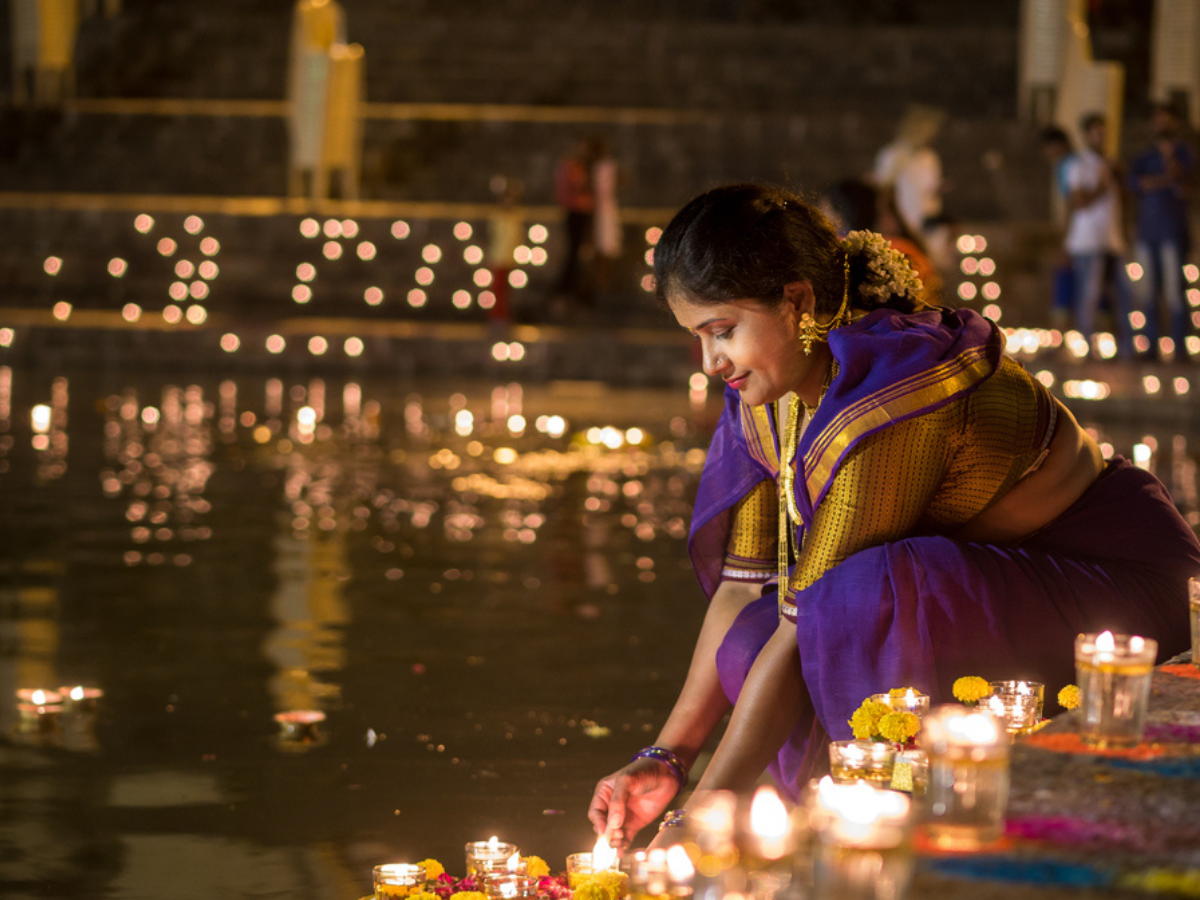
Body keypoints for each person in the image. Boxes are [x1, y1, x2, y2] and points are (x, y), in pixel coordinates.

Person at [587, 184, 1199, 850]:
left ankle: (893, 836)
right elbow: (742, 589)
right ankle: (831, 823)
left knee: (862, 596)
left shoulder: (895, 389)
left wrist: (697, 821)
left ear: (795, 302)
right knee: (749, 636)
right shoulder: (768, 391)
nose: (711, 364)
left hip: (1107, 598)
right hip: (985, 600)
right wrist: (668, 759)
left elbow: (811, 622)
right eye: (698, 339)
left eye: (723, 332)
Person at [1063, 113, 1134, 358]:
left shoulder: (1112, 164)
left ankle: (1126, 350)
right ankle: (1088, 349)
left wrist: (1118, 179)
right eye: (1095, 132)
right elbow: (1078, 202)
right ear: (1086, 135)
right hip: (1087, 240)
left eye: (1103, 132)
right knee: (1089, 295)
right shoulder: (1078, 164)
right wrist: (1103, 185)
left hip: (1113, 240)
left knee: (1124, 295)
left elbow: (1123, 201)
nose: (1100, 137)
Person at [1128, 102, 1194, 356]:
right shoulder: (1145, 157)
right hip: (1148, 232)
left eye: (1166, 120)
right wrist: (1163, 180)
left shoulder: (1186, 154)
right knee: (1148, 292)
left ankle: (1179, 347)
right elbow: (1137, 184)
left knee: (1175, 291)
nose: (1161, 125)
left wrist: (1170, 165)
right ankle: (1151, 346)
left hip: (1173, 232)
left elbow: (1186, 185)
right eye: (1157, 120)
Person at [871, 104, 945, 238]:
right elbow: (882, 186)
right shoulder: (893, 154)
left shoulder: (929, 158)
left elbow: (932, 190)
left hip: (924, 221)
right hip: (900, 218)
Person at [552, 136, 596, 314]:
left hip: (583, 211)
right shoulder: (571, 166)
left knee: (579, 254)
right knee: (573, 253)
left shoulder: (585, 166)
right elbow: (569, 189)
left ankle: (575, 293)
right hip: (575, 211)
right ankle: (565, 292)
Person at [1040, 126, 1076, 330]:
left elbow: (1071, 204)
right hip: (1083, 235)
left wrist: (1067, 239)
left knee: (1065, 280)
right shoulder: (1070, 164)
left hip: (1079, 237)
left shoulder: (1068, 166)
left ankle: (1063, 337)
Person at [589, 135, 623, 296]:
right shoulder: (595, 166)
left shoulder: (606, 166)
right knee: (600, 249)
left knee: (607, 247)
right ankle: (598, 285)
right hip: (597, 209)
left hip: (604, 210)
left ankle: (602, 285)